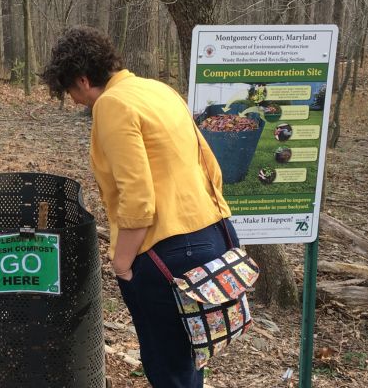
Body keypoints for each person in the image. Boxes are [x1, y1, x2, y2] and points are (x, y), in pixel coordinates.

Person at [41, 26, 239, 388]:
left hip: (167, 250)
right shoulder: (158, 90)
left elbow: (137, 197)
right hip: (211, 235)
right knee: (190, 356)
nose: (73, 100)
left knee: (167, 367)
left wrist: (122, 262)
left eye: (69, 90)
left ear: (83, 80)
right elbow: (209, 163)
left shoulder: (113, 105)